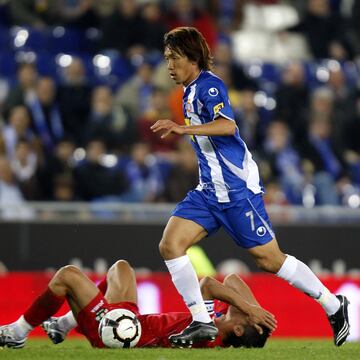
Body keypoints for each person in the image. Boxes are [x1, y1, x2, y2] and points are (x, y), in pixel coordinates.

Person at [150, 26, 350, 347]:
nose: (169, 66)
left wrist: (181, 129)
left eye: (174, 58)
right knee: (170, 245)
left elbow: (228, 126)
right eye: (167, 59)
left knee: (269, 260)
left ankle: (332, 304)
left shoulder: (210, 86)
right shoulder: (188, 91)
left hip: (235, 189)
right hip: (209, 190)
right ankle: (202, 321)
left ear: (192, 58)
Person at [0, 260, 276, 349]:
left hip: (123, 333)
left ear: (238, 331)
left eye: (247, 316)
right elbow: (225, 280)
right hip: (134, 320)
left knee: (67, 276)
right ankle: (63, 324)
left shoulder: (210, 336)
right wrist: (253, 312)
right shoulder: (211, 321)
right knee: (121, 269)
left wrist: (250, 310)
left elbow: (218, 285)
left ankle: (17, 332)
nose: (247, 307)